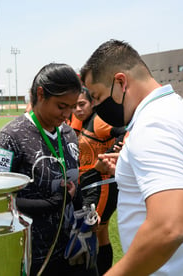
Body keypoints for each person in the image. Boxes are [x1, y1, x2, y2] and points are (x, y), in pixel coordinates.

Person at [80, 39, 183, 275]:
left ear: (121, 82)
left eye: (97, 96)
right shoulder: (177, 109)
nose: (95, 105)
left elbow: (168, 228)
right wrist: (128, 168)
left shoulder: (155, 124)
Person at [0, 63, 93, 276]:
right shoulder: (9, 138)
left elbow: (74, 182)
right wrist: (47, 204)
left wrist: (84, 210)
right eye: (61, 106)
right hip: (28, 253)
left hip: (68, 249)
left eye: (72, 107)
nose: (68, 114)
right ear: (41, 94)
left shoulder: (68, 133)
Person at [73, 87, 124, 275]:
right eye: (75, 105)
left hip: (101, 185)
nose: (78, 109)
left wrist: (109, 155)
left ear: (92, 103)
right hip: (90, 183)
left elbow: (124, 130)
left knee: (94, 230)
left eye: (82, 104)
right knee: (101, 233)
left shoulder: (98, 120)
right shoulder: (83, 122)